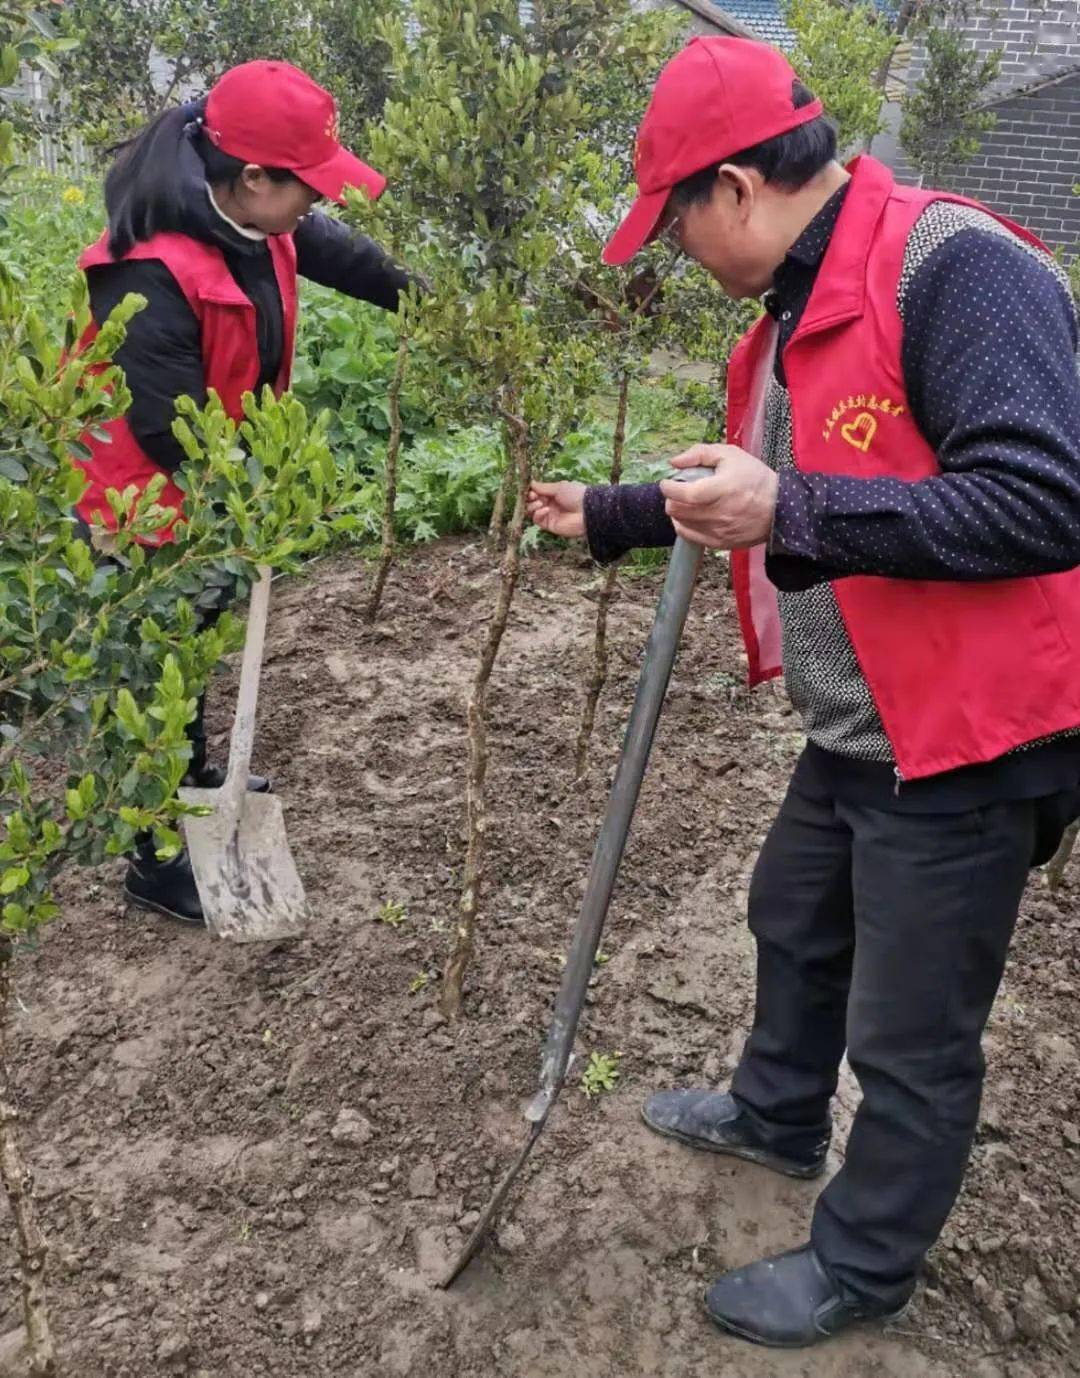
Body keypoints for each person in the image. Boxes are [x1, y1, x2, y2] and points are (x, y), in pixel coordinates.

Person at [528, 36, 1080, 1350]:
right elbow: (768, 477)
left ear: (736, 186)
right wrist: (613, 512)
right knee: (795, 914)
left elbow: (1045, 497)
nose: (674, 252)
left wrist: (795, 505)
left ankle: (866, 1258)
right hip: (864, 718)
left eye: (673, 225)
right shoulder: (799, 298)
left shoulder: (956, 268)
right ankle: (776, 1114)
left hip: (969, 731)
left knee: (910, 1030)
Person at [74, 60, 410, 926]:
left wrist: (426, 303)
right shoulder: (146, 268)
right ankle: (153, 859)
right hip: (144, 504)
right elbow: (164, 425)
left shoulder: (260, 219)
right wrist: (256, 500)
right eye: (307, 187)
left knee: (192, 654)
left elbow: (347, 257)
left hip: (217, 484)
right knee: (155, 673)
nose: (314, 205)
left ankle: (198, 784)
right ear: (253, 177)